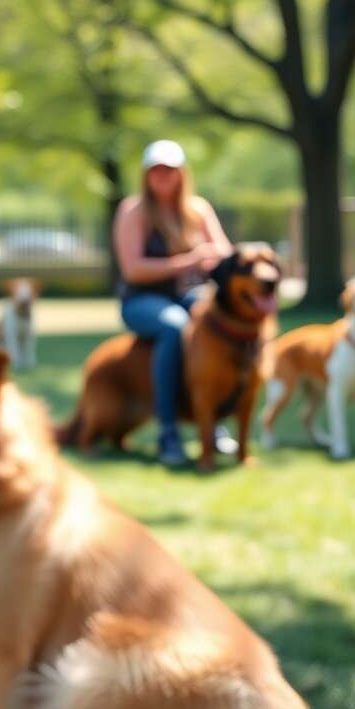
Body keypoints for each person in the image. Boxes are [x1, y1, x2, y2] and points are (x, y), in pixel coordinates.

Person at [113, 139, 233, 467]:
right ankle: (169, 431)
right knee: (174, 326)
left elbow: (224, 253)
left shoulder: (198, 209)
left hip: (187, 295)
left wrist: (212, 260)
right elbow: (134, 269)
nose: (163, 176)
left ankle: (214, 423)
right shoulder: (133, 212)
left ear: (181, 173)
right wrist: (190, 260)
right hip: (142, 301)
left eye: (169, 170)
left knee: (215, 322)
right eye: (156, 170)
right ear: (147, 175)